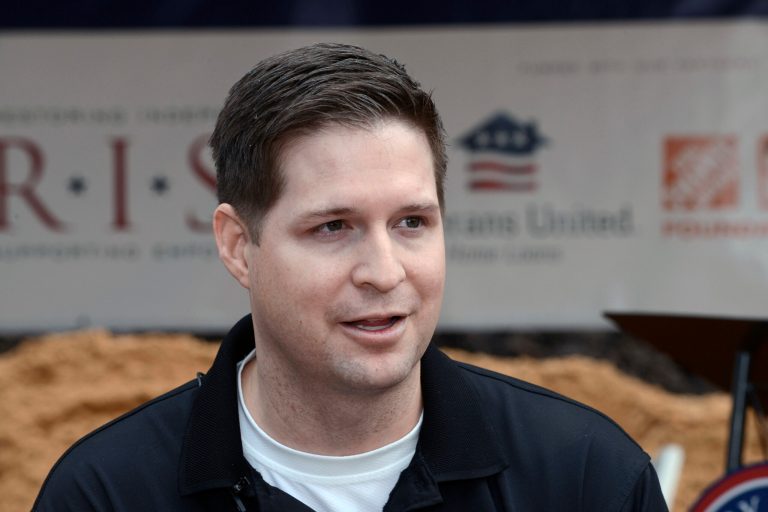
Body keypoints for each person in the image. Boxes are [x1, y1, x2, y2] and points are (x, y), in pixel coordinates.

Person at [34, 43, 668, 511]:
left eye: (412, 222)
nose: (384, 272)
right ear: (237, 246)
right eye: (333, 227)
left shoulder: (587, 477)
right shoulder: (105, 493)